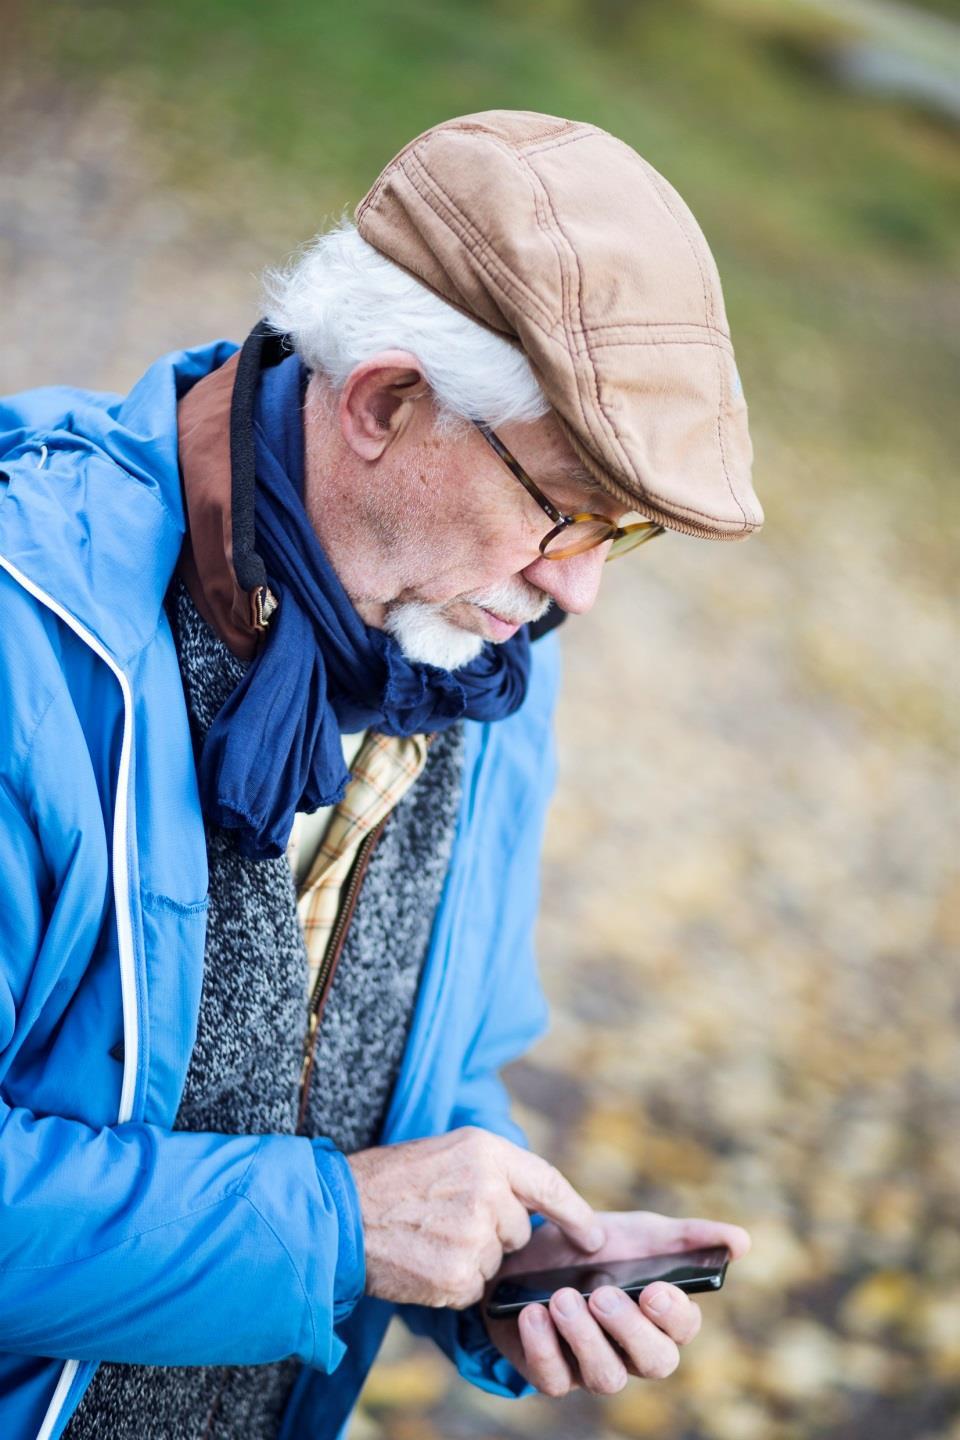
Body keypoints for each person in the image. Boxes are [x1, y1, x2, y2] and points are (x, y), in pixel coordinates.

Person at [0, 110, 761, 1440]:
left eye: (623, 535)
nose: (578, 586)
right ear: (384, 400)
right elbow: (349, 1210)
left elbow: (436, 1069)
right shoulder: (25, 633)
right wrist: (342, 1227)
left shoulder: (478, 659)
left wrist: (504, 1256)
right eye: (567, 507)